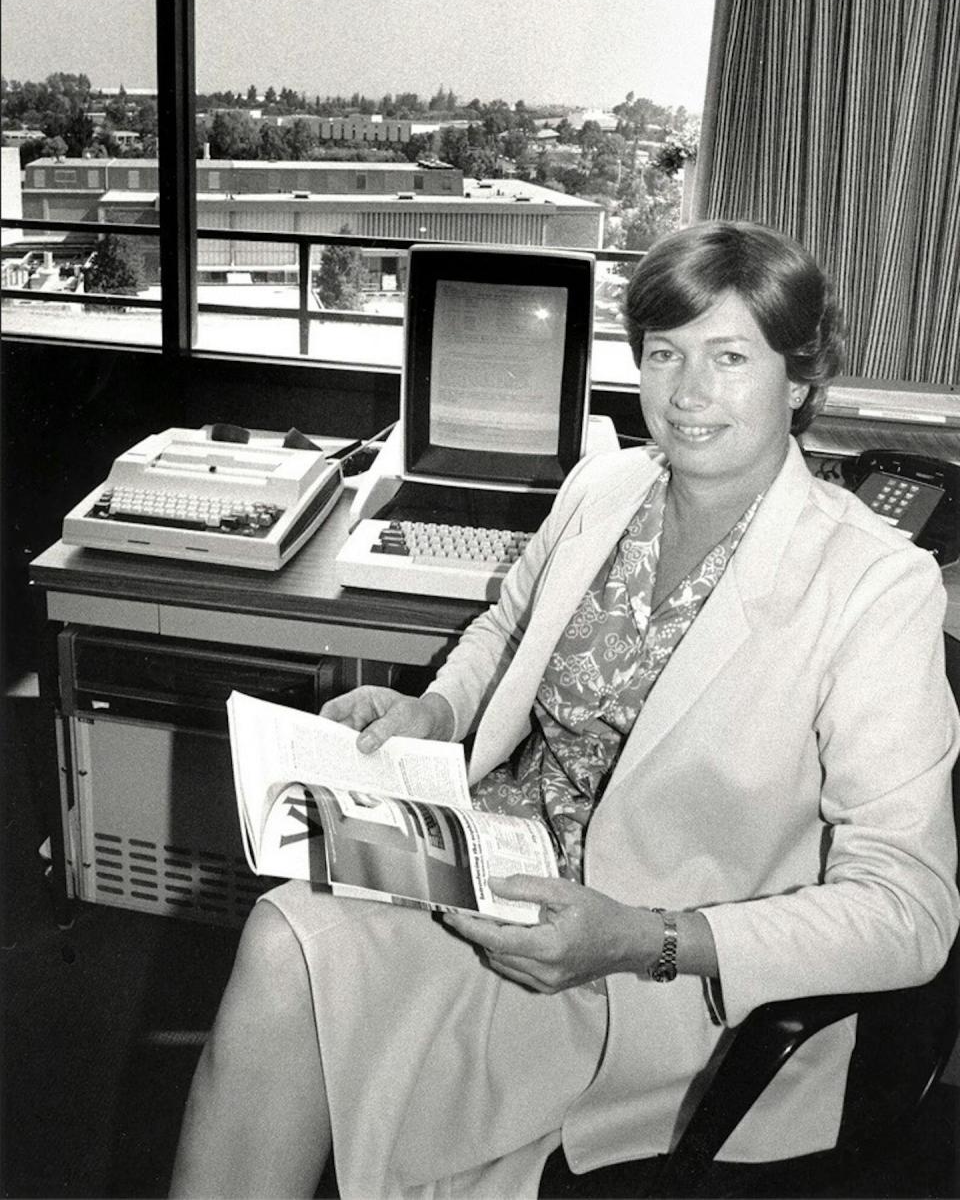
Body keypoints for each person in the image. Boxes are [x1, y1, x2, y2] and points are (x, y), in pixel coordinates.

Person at [170, 221, 959, 1199]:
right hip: (497, 876)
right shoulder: (606, 483)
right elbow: (507, 621)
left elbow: (911, 912)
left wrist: (649, 936)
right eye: (666, 353)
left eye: (730, 356)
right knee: (283, 935)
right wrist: (437, 711)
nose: (688, 391)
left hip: (656, 976)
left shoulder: (876, 584)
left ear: (799, 379)